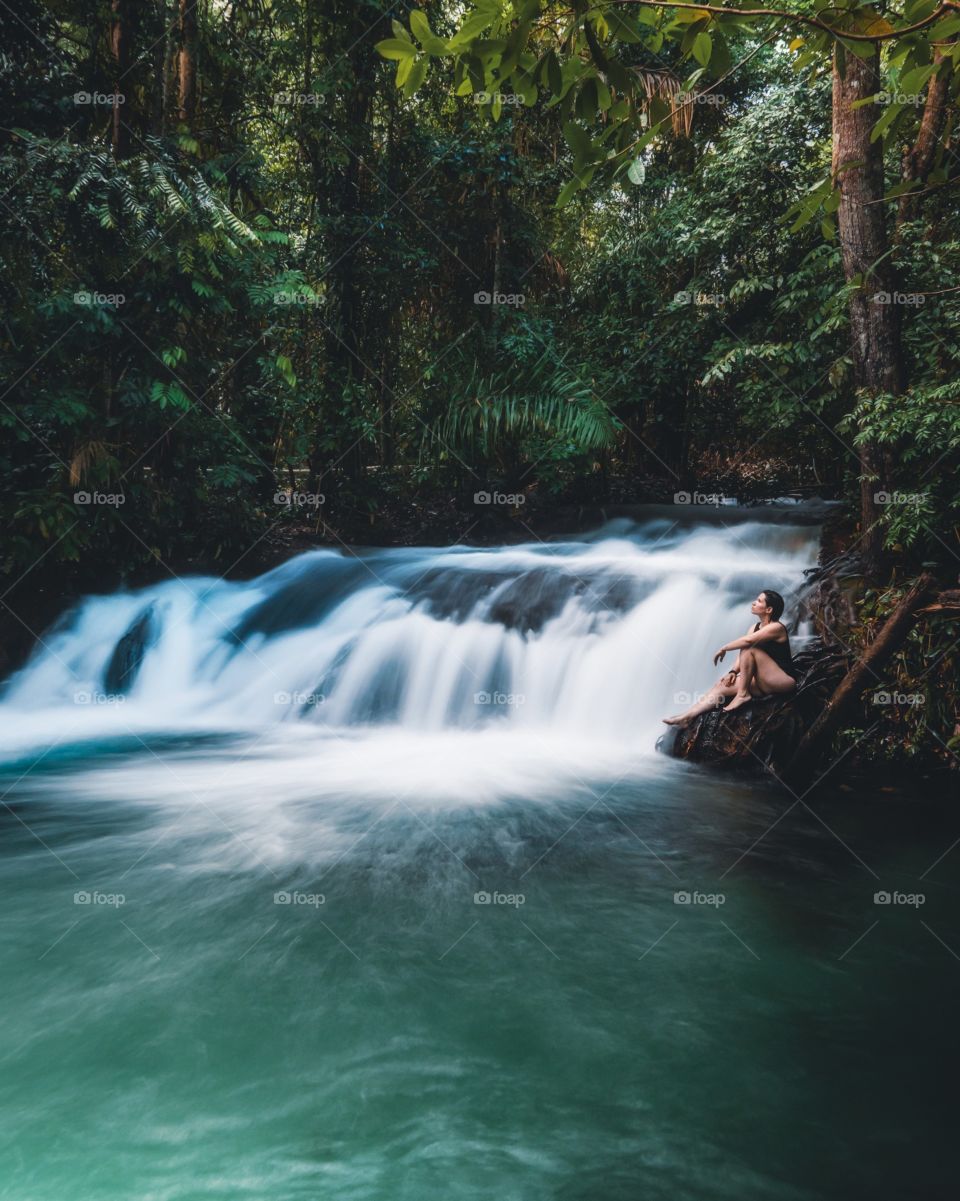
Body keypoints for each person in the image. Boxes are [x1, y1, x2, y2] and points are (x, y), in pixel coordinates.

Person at [663, 589, 797, 728]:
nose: (753, 603)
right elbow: (743, 653)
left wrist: (724, 648)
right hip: (762, 682)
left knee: (750, 648)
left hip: (783, 681)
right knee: (721, 685)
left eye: (759, 601)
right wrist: (732, 672)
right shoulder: (755, 627)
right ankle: (687, 716)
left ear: (769, 609)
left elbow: (747, 642)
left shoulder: (776, 628)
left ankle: (742, 694)